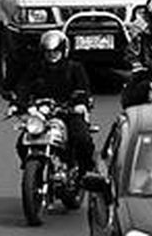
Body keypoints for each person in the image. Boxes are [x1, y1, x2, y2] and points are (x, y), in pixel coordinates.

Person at [10, 29, 95, 174]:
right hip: (42, 113)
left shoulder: (75, 68)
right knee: (22, 143)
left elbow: (83, 89)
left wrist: (80, 103)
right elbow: (23, 88)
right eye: (48, 52)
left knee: (82, 139)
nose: (52, 55)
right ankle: (33, 170)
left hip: (68, 112)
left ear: (63, 51)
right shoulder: (35, 69)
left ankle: (84, 172)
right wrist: (18, 104)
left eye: (56, 51)